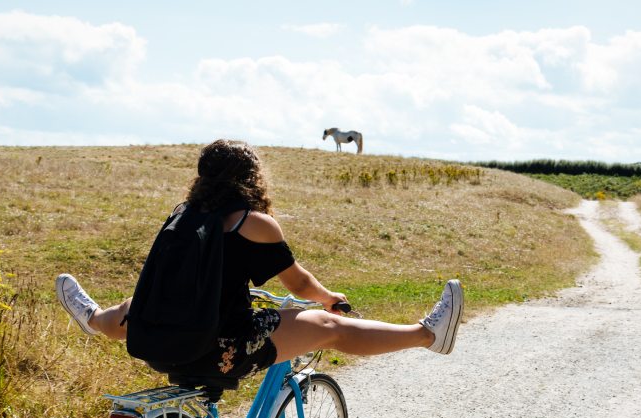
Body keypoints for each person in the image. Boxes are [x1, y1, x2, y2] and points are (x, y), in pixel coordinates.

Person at [56, 139, 462, 382]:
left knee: (134, 305)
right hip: (218, 350)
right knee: (330, 326)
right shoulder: (252, 224)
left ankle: (93, 319)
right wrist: (327, 297)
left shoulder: (183, 215)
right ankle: (427, 335)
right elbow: (299, 286)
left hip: (152, 342)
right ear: (252, 178)